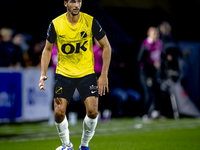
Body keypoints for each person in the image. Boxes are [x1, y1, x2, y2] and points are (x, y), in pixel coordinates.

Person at [38, 0, 112, 150]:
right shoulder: (56, 24)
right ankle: (67, 145)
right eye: (73, 1)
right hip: (64, 74)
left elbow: (107, 46)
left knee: (93, 112)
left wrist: (104, 74)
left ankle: (84, 146)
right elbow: (47, 49)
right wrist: (42, 74)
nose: (76, 4)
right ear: (65, 3)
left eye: (79, 1)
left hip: (86, 73)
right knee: (58, 113)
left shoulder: (90, 21)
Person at [137, 27, 162, 120]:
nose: (156, 35)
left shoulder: (158, 44)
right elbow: (139, 59)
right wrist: (152, 63)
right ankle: (144, 114)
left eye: (157, 33)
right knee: (147, 92)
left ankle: (154, 112)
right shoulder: (146, 44)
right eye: (154, 33)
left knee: (156, 91)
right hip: (145, 72)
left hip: (153, 72)